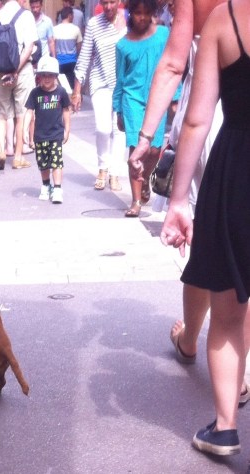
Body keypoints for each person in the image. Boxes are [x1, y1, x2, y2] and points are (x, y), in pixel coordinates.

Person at [159, 0, 250, 455]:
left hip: (238, 171)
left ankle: (226, 426)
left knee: (230, 312)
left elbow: (196, 119)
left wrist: (178, 201)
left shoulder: (225, 18)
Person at [113, 0, 175, 217]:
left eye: (145, 13)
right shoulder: (123, 45)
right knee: (135, 150)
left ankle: (145, 177)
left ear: (152, 13)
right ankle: (136, 201)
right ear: (130, 14)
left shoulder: (163, 35)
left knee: (154, 150)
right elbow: (120, 79)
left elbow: (173, 66)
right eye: (137, 13)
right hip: (132, 100)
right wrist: (118, 109)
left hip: (156, 98)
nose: (141, 17)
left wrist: (175, 97)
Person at [72, 0, 127, 192]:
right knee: (103, 128)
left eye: (112, 2)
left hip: (123, 85)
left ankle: (114, 173)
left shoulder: (129, 21)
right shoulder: (95, 24)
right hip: (100, 82)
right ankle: (102, 168)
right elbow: (85, 55)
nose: (109, 7)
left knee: (119, 130)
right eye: (105, 2)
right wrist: (77, 91)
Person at [0, 0, 39, 170]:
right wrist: (15, 70)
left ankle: (1, 150)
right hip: (22, 71)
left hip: (0, 71)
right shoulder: (26, 15)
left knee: (1, 113)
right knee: (21, 113)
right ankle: (17, 156)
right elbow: (29, 46)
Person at [25, 56, 72, 204]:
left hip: (56, 133)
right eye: (43, 75)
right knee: (43, 163)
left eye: (50, 75)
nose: (46, 78)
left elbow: (66, 110)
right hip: (40, 135)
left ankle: (57, 188)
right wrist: (25, 130)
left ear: (56, 76)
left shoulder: (61, 92)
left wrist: (67, 129)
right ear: (39, 76)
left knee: (57, 162)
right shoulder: (35, 93)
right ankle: (46, 185)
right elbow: (29, 112)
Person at [54, 7, 84, 91]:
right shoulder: (76, 29)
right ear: (69, 15)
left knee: (60, 87)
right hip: (72, 62)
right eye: (72, 15)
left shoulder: (55, 29)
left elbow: (53, 46)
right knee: (71, 87)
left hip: (59, 63)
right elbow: (79, 47)